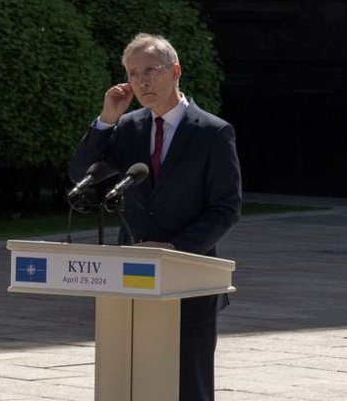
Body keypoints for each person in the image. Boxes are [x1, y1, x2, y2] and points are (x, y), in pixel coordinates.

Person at [70, 33, 242, 401]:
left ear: (175, 71)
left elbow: (226, 209)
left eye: (152, 70)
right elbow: (83, 174)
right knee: (132, 377)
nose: (143, 81)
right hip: (130, 277)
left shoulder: (213, 132)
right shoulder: (128, 127)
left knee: (187, 382)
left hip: (191, 276)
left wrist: (173, 250)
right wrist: (106, 120)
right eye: (133, 73)